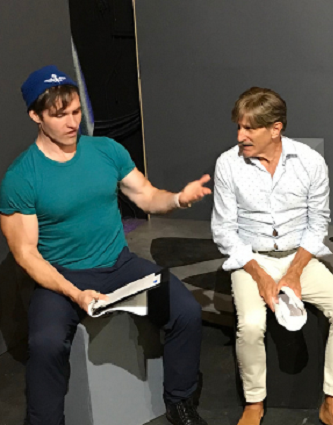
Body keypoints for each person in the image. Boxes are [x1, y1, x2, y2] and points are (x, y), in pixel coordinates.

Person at [0, 65, 212, 425]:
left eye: (76, 112)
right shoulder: (22, 176)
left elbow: (145, 196)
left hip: (119, 265)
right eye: (59, 115)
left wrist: (178, 199)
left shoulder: (105, 150)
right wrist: (75, 292)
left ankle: (180, 401)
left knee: (187, 312)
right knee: (46, 345)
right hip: (61, 275)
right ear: (35, 116)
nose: (72, 122)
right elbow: (26, 254)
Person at [211, 87, 333, 425]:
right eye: (238, 127)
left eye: (249, 128)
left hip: (299, 256)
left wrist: (293, 272)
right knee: (250, 324)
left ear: (275, 129)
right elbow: (223, 231)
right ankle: (253, 403)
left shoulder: (309, 161)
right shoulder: (227, 164)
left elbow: (318, 222)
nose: (240, 135)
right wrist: (261, 276)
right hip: (251, 258)